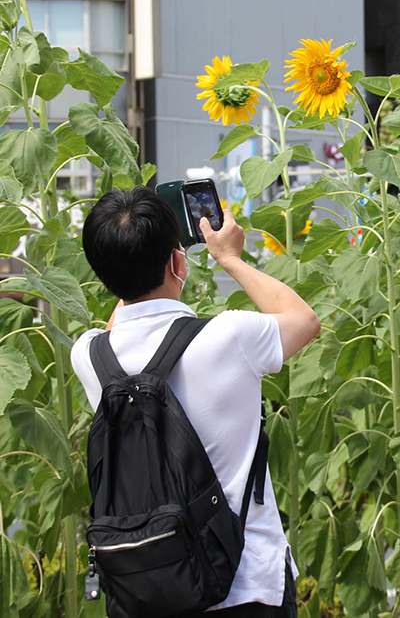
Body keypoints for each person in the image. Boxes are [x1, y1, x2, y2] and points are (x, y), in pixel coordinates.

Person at [71, 186, 320, 616]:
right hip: (245, 586)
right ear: (177, 261)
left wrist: (130, 261)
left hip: (146, 588)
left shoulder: (90, 355)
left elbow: (119, 320)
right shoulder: (228, 337)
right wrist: (230, 258)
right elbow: (305, 321)